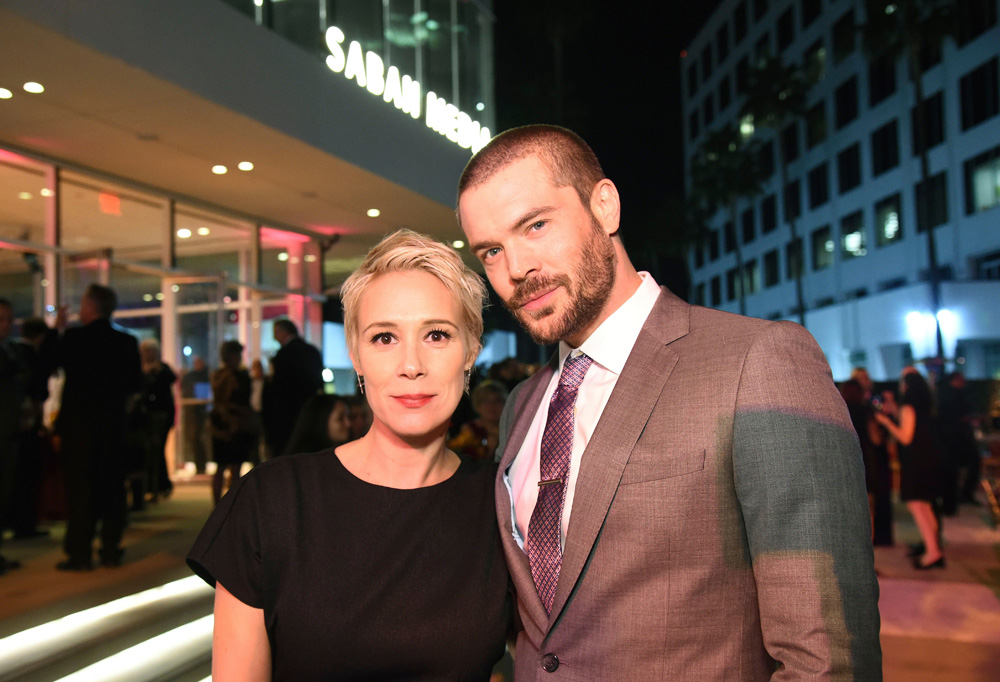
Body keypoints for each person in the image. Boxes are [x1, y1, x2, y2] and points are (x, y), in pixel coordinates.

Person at [456, 125, 881, 680]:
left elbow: (828, 655)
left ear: (604, 206)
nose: (515, 269)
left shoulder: (758, 361)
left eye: (535, 225)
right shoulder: (523, 404)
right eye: (492, 250)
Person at [188, 229, 511, 680]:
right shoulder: (273, 500)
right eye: (384, 338)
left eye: (437, 335)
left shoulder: (504, 506)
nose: (411, 364)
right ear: (355, 355)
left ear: (471, 351)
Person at [51, 284, 142, 570]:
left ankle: (80, 552)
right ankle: (111, 548)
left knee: (80, 489)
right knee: (112, 488)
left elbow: (50, 365)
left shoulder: (74, 338)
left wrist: (57, 330)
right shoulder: (125, 342)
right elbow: (135, 384)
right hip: (112, 427)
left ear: (91, 308)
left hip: (78, 427)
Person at [875, 370, 945, 569]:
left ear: (906, 385)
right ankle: (933, 549)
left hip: (916, 462)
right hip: (929, 459)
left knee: (917, 506)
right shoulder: (924, 406)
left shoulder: (909, 407)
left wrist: (886, 422)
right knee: (926, 506)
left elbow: (905, 436)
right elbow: (909, 422)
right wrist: (893, 407)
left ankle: (932, 552)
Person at [261, 319, 324, 458]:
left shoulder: (282, 355)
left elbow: (276, 388)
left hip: (285, 414)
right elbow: (319, 381)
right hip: (309, 409)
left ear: (283, 332)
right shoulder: (312, 351)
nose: (274, 337)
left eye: (276, 333)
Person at [0, 298, 29, 575]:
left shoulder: (11, 350)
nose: (7, 325)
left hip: (8, 431)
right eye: (1, 320)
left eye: (9, 319)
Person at [208, 340, 255, 505]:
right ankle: (223, 506)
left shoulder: (230, 375)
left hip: (234, 424)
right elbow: (223, 400)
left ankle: (230, 505)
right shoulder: (226, 376)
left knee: (233, 466)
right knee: (224, 466)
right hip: (226, 424)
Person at [138, 338, 177, 502]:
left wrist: (156, 371)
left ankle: (161, 485)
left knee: (158, 449)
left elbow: (172, 378)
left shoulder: (163, 369)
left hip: (162, 415)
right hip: (145, 416)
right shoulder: (140, 371)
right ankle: (152, 486)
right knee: (149, 452)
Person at [448, 379, 509, 461]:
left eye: (497, 401)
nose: (492, 406)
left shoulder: (511, 428)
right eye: (486, 401)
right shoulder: (469, 431)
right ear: (477, 405)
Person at [282, 393, 352, 455]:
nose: (348, 424)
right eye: (340, 418)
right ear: (321, 420)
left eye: (348, 417)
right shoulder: (309, 460)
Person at [179, 356, 210, 474]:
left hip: (200, 413)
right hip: (192, 413)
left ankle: (202, 465)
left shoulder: (204, 376)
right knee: (195, 440)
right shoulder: (191, 377)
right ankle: (200, 466)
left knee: (199, 439)